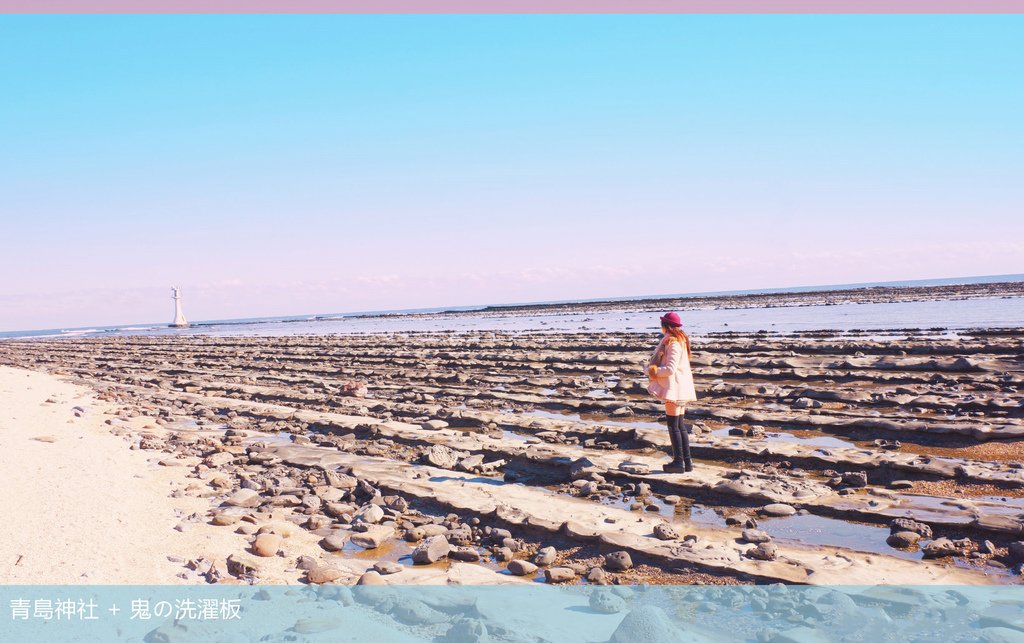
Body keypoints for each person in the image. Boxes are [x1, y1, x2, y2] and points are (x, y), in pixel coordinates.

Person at [646, 311, 697, 473]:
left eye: (662, 324)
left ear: (666, 326)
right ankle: (687, 463)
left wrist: (652, 371)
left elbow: (670, 369)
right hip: (679, 387)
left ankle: (678, 463)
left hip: (675, 388)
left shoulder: (673, 343)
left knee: (674, 426)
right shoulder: (679, 340)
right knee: (680, 426)